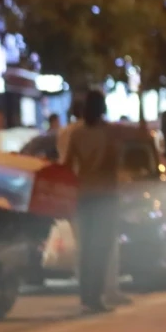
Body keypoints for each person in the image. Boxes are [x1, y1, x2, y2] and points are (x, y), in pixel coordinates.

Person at [62, 90, 121, 314]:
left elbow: (67, 164)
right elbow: (114, 161)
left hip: (83, 195)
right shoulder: (109, 133)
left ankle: (85, 296)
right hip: (105, 195)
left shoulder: (76, 135)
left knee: (85, 248)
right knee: (102, 247)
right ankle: (95, 297)